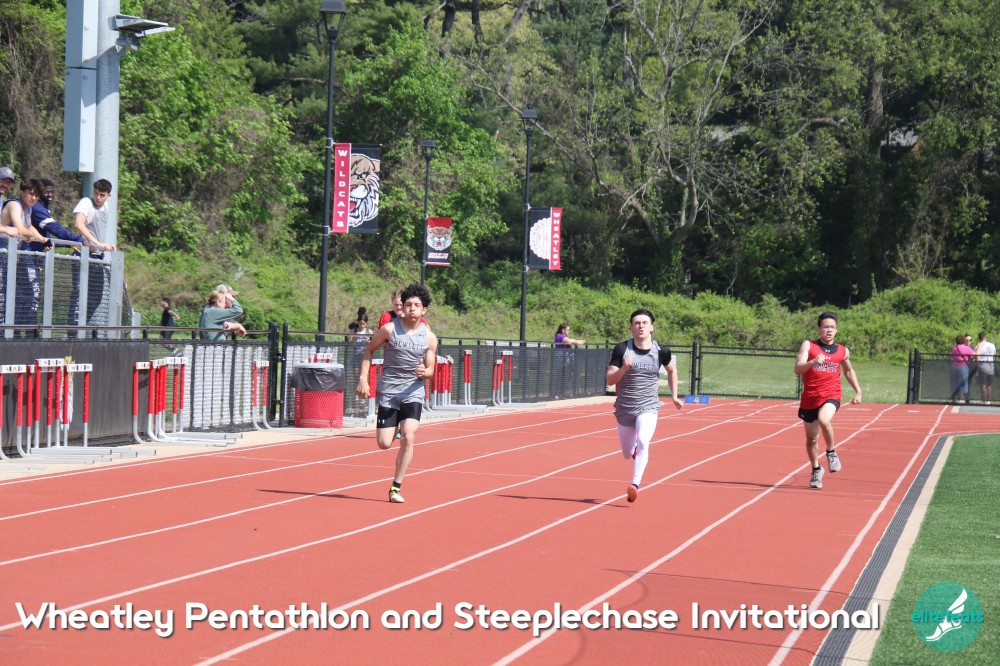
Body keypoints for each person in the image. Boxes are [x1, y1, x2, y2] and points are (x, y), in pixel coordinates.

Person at [356, 283, 438, 504]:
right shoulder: (389, 330)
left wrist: (426, 372)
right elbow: (369, 350)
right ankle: (395, 426)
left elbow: (431, 368)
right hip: (389, 393)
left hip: (413, 392)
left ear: (424, 310)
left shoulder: (429, 338)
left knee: (409, 435)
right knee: (384, 443)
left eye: (416, 305)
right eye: (408, 304)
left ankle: (396, 486)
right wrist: (363, 379)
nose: (412, 308)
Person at [606, 309, 684, 504]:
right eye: (637, 323)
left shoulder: (661, 351)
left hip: (648, 405)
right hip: (625, 407)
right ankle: (634, 452)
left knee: (643, 441)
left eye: (644, 323)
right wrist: (624, 368)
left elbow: (672, 371)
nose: (641, 326)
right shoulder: (621, 349)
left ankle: (634, 485)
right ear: (631, 328)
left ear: (651, 327)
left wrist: (674, 396)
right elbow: (610, 379)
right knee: (627, 453)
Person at [794, 311, 862, 489]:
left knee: (824, 419)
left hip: (831, 394)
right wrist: (813, 362)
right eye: (825, 327)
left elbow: (848, 370)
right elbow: (798, 369)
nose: (829, 330)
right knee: (812, 439)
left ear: (836, 330)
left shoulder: (842, 351)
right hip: (810, 397)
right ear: (819, 329)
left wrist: (858, 391)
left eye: (832, 327)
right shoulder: (809, 346)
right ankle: (816, 469)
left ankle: (831, 452)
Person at [71, 179, 116, 330]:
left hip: (97, 258)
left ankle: (81, 329)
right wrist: (98, 243)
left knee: (95, 299)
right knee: (79, 297)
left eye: (102, 195)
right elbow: (79, 224)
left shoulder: (106, 207)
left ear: (108, 196)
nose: (98, 198)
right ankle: (72, 333)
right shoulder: (86, 202)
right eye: (96, 193)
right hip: (83, 256)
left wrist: (103, 246)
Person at [949, 334, 976, 403]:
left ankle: (955, 398)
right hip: (963, 366)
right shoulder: (966, 348)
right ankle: (962, 399)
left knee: (956, 382)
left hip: (954, 367)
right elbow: (975, 354)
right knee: (963, 382)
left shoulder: (954, 348)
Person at [975, 332, 995, 404]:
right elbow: (993, 354)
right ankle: (989, 400)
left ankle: (984, 400)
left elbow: (977, 356)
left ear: (979, 338)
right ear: (985, 337)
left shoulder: (978, 346)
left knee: (983, 384)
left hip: (982, 364)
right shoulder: (992, 345)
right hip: (991, 365)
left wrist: (977, 368)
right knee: (989, 384)